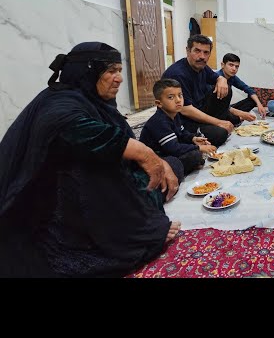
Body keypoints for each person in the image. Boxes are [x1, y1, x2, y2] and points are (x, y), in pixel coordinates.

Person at [0, 42, 181, 278]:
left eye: (119, 70)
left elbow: (124, 135)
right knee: (111, 178)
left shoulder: (96, 102)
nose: (119, 79)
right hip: (58, 209)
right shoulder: (59, 102)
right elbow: (65, 125)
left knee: (174, 164)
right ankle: (132, 230)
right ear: (87, 72)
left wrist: (157, 159)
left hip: (94, 190)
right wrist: (144, 154)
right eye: (110, 71)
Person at [140, 78, 219, 181]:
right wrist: (198, 148)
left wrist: (193, 139)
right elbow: (173, 148)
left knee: (196, 152)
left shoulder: (175, 114)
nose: (178, 100)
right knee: (193, 155)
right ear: (159, 103)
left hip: (168, 152)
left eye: (180, 95)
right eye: (170, 97)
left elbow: (181, 133)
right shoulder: (159, 121)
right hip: (158, 158)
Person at [162, 34, 232, 147]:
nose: (202, 56)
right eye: (197, 51)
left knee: (226, 89)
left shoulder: (201, 66)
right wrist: (218, 123)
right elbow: (185, 110)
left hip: (198, 110)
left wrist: (222, 79)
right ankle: (213, 127)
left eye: (206, 52)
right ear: (188, 51)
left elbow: (217, 77)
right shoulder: (178, 74)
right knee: (220, 134)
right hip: (182, 121)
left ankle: (216, 125)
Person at [203, 52, 266, 126]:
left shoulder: (232, 78)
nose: (234, 69)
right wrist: (241, 114)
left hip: (226, 107)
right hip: (213, 110)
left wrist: (259, 105)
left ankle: (235, 117)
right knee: (234, 119)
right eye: (231, 65)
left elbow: (248, 89)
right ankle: (236, 119)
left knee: (252, 100)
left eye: (237, 66)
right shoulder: (215, 78)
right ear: (222, 65)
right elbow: (214, 105)